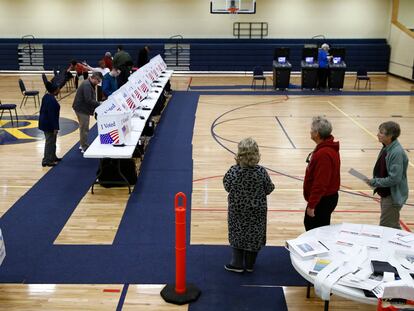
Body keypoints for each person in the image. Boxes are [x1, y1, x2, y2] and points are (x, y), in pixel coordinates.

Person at [223, 137, 275, 273]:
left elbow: (227, 186)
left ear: (239, 154)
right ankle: (250, 265)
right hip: (257, 211)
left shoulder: (233, 171)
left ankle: (237, 264)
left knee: (237, 234)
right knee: (254, 235)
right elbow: (269, 189)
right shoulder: (261, 172)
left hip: (237, 210)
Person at [366, 121, 409, 229]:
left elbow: (395, 179)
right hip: (386, 193)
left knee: (387, 227)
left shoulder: (396, 152)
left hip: (392, 196)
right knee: (391, 226)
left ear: (390, 136)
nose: (378, 134)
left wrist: (376, 182)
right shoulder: (387, 147)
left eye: (381, 132)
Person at [303, 116, 340, 231]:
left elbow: (320, 183)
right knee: (318, 229)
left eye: (312, 130)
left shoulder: (324, 154)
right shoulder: (326, 148)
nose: (310, 132)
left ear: (317, 134)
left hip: (322, 200)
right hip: (323, 199)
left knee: (314, 230)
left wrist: (312, 205)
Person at [72, 71, 103, 152]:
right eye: (98, 81)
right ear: (94, 78)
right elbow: (88, 100)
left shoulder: (90, 83)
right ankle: (84, 147)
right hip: (81, 109)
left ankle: (82, 144)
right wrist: (99, 104)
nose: (99, 83)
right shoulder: (87, 85)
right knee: (84, 128)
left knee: (83, 128)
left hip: (82, 108)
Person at [38, 82, 61, 167]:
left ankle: (52, 157)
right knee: (49, 142)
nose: (59, 90)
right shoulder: (51, 100)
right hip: (48, 124)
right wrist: (55, 127)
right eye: (58, 89)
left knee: (53, 141)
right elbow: (52, 116)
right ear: (55, 91)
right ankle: (46, 160)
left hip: (45, 122)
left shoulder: (46, 96)